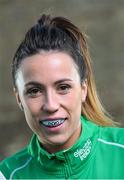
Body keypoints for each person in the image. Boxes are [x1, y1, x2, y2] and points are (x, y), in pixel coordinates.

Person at [0, 14, 124, 179]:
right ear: (18, 98)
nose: (51, 105)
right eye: (34, 91)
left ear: (83, 89)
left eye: (63, 87)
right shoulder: (7, 175)